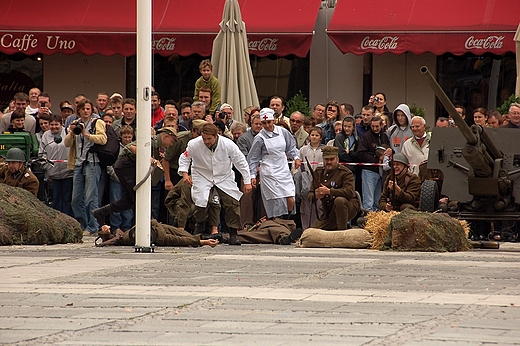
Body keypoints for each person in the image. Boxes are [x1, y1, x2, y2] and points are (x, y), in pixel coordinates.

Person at [178, 123, 252, 246]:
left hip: (223, 175)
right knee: (201, 201)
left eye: (209, 139)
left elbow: (240, 162)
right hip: (202, 174)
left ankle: (233, 233)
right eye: (204, 138)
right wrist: (185, 174)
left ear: (216, 135)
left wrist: (247, 181)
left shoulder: (228, 144)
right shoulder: (194, 144)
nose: (206, 141)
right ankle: (199, 227)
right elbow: (185, 158)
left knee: (232, 201)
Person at [92, 127, 178, 230]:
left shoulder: (156, 145)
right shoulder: (151, 140)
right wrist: (147, 157)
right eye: (172, 141)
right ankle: (149, 225)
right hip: (126, 166)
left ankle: (101, 212)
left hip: (127, 167)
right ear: (165, 136)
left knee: (130, 200)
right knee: (138, 198)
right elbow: (132, 147)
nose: (171, 144)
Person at [248, 108, 301, 220]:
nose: (267, 125)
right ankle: (276, 221)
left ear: (274, 120)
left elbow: (291, 147)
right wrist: (252, 175)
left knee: (290, 195)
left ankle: (288, 220)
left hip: (282, 167)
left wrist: (296, 157)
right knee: (276, 199)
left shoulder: (283, 132)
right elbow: (253, 158)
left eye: (269, 122)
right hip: (269, 170)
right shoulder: (259, 138)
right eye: (264, 123)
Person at [65, 99, 106, 235]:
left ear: (92, 110)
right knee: (75, 199)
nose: (86, 111)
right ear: (79, 111)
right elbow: (66, 144)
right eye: (83, 109)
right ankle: (82, 224)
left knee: (91, 198)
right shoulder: (75, 123)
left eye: (88, 108)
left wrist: (86, 134)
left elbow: (103, 139)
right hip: (78, 163)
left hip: (92, 163)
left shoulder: (97, 122)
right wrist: (71, 132)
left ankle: (93, 226)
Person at [307, 146, 360, 230]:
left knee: (340, 201)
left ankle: (342, 232)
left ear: (337, 159)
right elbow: (310, 195)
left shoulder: (345, 173)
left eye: (332, 159)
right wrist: (316, 195)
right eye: (326, 159)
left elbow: (350, 192)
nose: (329, 162)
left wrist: (329, 191)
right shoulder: (319, 172)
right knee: (314, 231)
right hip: (329, 211)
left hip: (348, 207)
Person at [39, 114, 73, 215]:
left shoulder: (68, 133)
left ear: (61, 124)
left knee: (67, 198)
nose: (54, 127)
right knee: (56, 198)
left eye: (56, 124)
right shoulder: (46, 135)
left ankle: (68, 220)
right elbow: (42, 153)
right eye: (52, 124)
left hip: (68, 172)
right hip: (53, 174)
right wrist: (47, 166)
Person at [95, 220, 218, 247]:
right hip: (157, 233)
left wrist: (105, 230)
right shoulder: (123, 239)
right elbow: (181, 241)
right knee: (184, 239)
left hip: (156, 227)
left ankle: (205, 239)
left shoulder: (122, 237)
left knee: (185, 235)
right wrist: (204, 242)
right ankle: (205, 240)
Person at [357, 115, 391, 211]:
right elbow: (360, 153)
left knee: (378, 200)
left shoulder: (384, 136)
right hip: (369, 170)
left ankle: (376, 220)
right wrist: (376, 160)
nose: (375, 128)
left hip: (381, 171)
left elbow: (389, 148)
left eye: (377, 126)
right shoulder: (367, 136)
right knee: (368, 201)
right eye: (373, 126)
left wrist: (388, 153)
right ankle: (367, 219)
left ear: (381, 125)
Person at [298, 126, 325, 229]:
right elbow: (299, 164)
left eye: (316, 135)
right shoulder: (303, 150)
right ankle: (306, 228)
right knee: (305, 206)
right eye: (312, 135)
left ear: (321, 137)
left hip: (319, 180)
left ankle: (317, 227)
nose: (314, 137)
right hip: (306, 179)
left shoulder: (324, 150)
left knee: (318, 205)